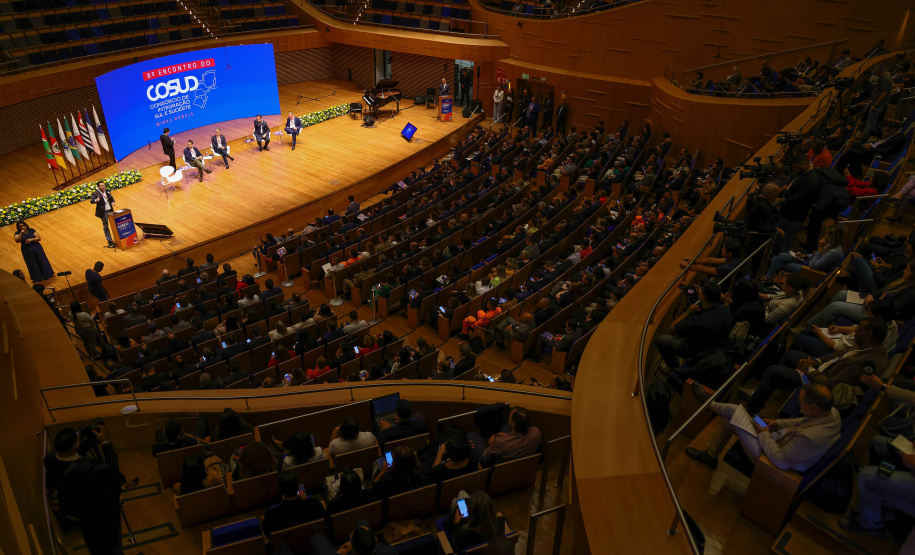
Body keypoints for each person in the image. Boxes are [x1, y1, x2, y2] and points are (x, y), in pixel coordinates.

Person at [741, 317, 888, 415]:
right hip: (822, 369)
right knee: (791, 354)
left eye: (859, 329)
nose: (855, 331)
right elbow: (838, 355)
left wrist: (809, 370)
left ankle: (750, 410)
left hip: (820, 384)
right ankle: (772, 389)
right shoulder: (870, 346)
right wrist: (816, 362)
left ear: (869, 335)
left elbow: (831, 384)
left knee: (772, 371)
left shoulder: (865, 361)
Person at [686, 383, 841, 472]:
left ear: (814, 407)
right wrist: (777, 423)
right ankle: (710, 456)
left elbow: (780, 461)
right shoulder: (830, 413)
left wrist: (765, 434)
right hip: (779, 440)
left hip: (772, 462)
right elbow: (802, 421)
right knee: (729, 419)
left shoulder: (811, 438)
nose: (799, 406)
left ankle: (707, 404)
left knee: (733, 412)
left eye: (802, 404)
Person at [55, 425, 127, 554]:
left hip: (87, 522)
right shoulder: (86, 470)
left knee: (97, 548)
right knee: (114, 546)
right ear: (75, 446)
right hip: (105, 517)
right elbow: (112, 467)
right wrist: (105, 443)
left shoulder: (53, 462)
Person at [654, 280, 734, 370]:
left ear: (702, 297)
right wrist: (725, 301)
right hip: (719, 347)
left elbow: (672, 329)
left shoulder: (697, 320)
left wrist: (688, 312)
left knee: (661, 340)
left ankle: (674, 368)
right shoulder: (726, 309)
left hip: (700, 352)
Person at [467, 406, 541, 466]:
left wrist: (491, 444)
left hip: (500, 466)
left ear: (513, 424)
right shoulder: (536, 432)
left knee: (471, 435)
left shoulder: (499, 442)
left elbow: (486, 457)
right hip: (522, 461)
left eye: (510, 417)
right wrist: (506, 435)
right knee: (505, 427)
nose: (508, 417)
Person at [262, 471, 326, 537]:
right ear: (298, 486)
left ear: (279, 489)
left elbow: (267, 532)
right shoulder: (314, 504)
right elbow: (324, 520)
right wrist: (305, 501)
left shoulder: (271, 514)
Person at [310, 519, 396, 555]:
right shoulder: (391, 551)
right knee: (363, 522)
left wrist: (339, 552)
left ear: (354, 551)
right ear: (375, 539)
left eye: (351, 537)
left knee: (316, 538)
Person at [90, 181, 116, 247]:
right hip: (103, 212)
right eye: (102, 186)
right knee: (106, 227)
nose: (103, 187)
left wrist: (113, 202)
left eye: (104, 185)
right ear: (98, 187)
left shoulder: (107, 191)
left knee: (114, 224)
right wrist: (96, 200)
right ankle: (109, 241)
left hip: (110, 210)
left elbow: (111, 198)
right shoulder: (95, 193)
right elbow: (91, 201)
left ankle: (117, 238)